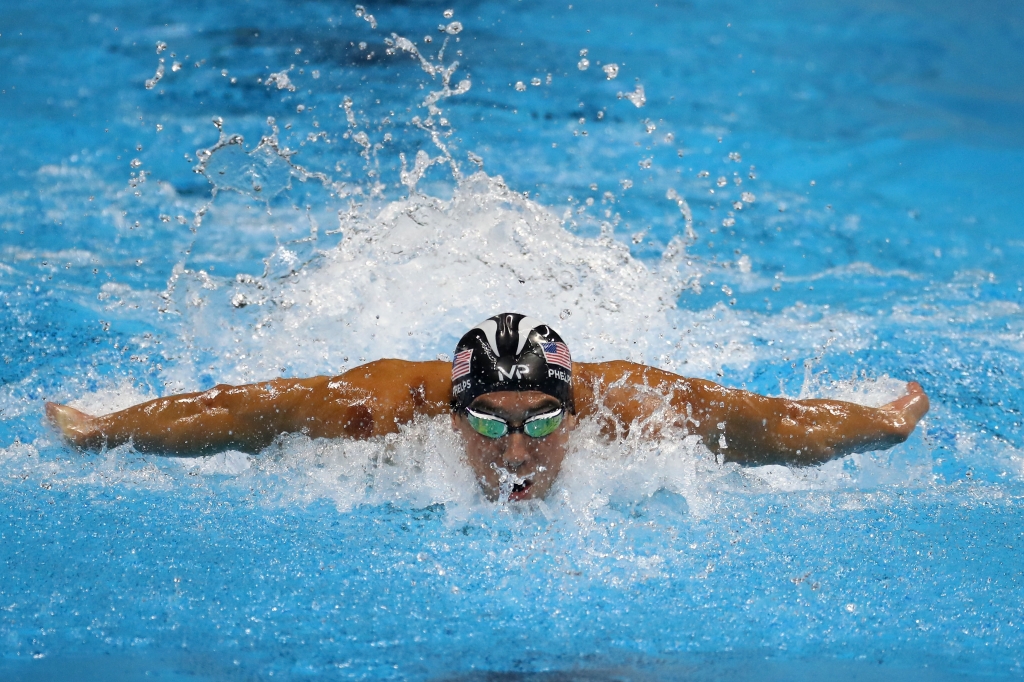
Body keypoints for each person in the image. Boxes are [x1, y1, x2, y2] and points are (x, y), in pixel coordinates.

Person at [46, 312, 929, 501]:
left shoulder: (638, 406)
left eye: (543, 423)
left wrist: (881, 425)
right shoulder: (379, 408)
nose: (516, 455)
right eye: (490, 425)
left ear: (576, 414)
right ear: (452, 414)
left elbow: (774, 427)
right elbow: (239, 413)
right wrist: (107, 431)